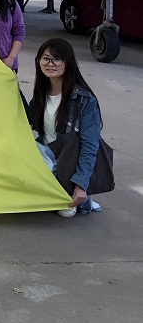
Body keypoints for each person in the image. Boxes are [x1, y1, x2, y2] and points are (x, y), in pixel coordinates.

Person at [27, 38, 103, 217]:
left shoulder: (84, 99)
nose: (50, 64)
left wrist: (81, 184)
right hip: (44, 155)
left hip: (66, 162)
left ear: (67, 63)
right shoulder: (42, 91)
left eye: (57, 59)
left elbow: (89, 145)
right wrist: (11, 84)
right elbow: (26, 118)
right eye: (45, 58)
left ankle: (64, 187)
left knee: (65, 212)